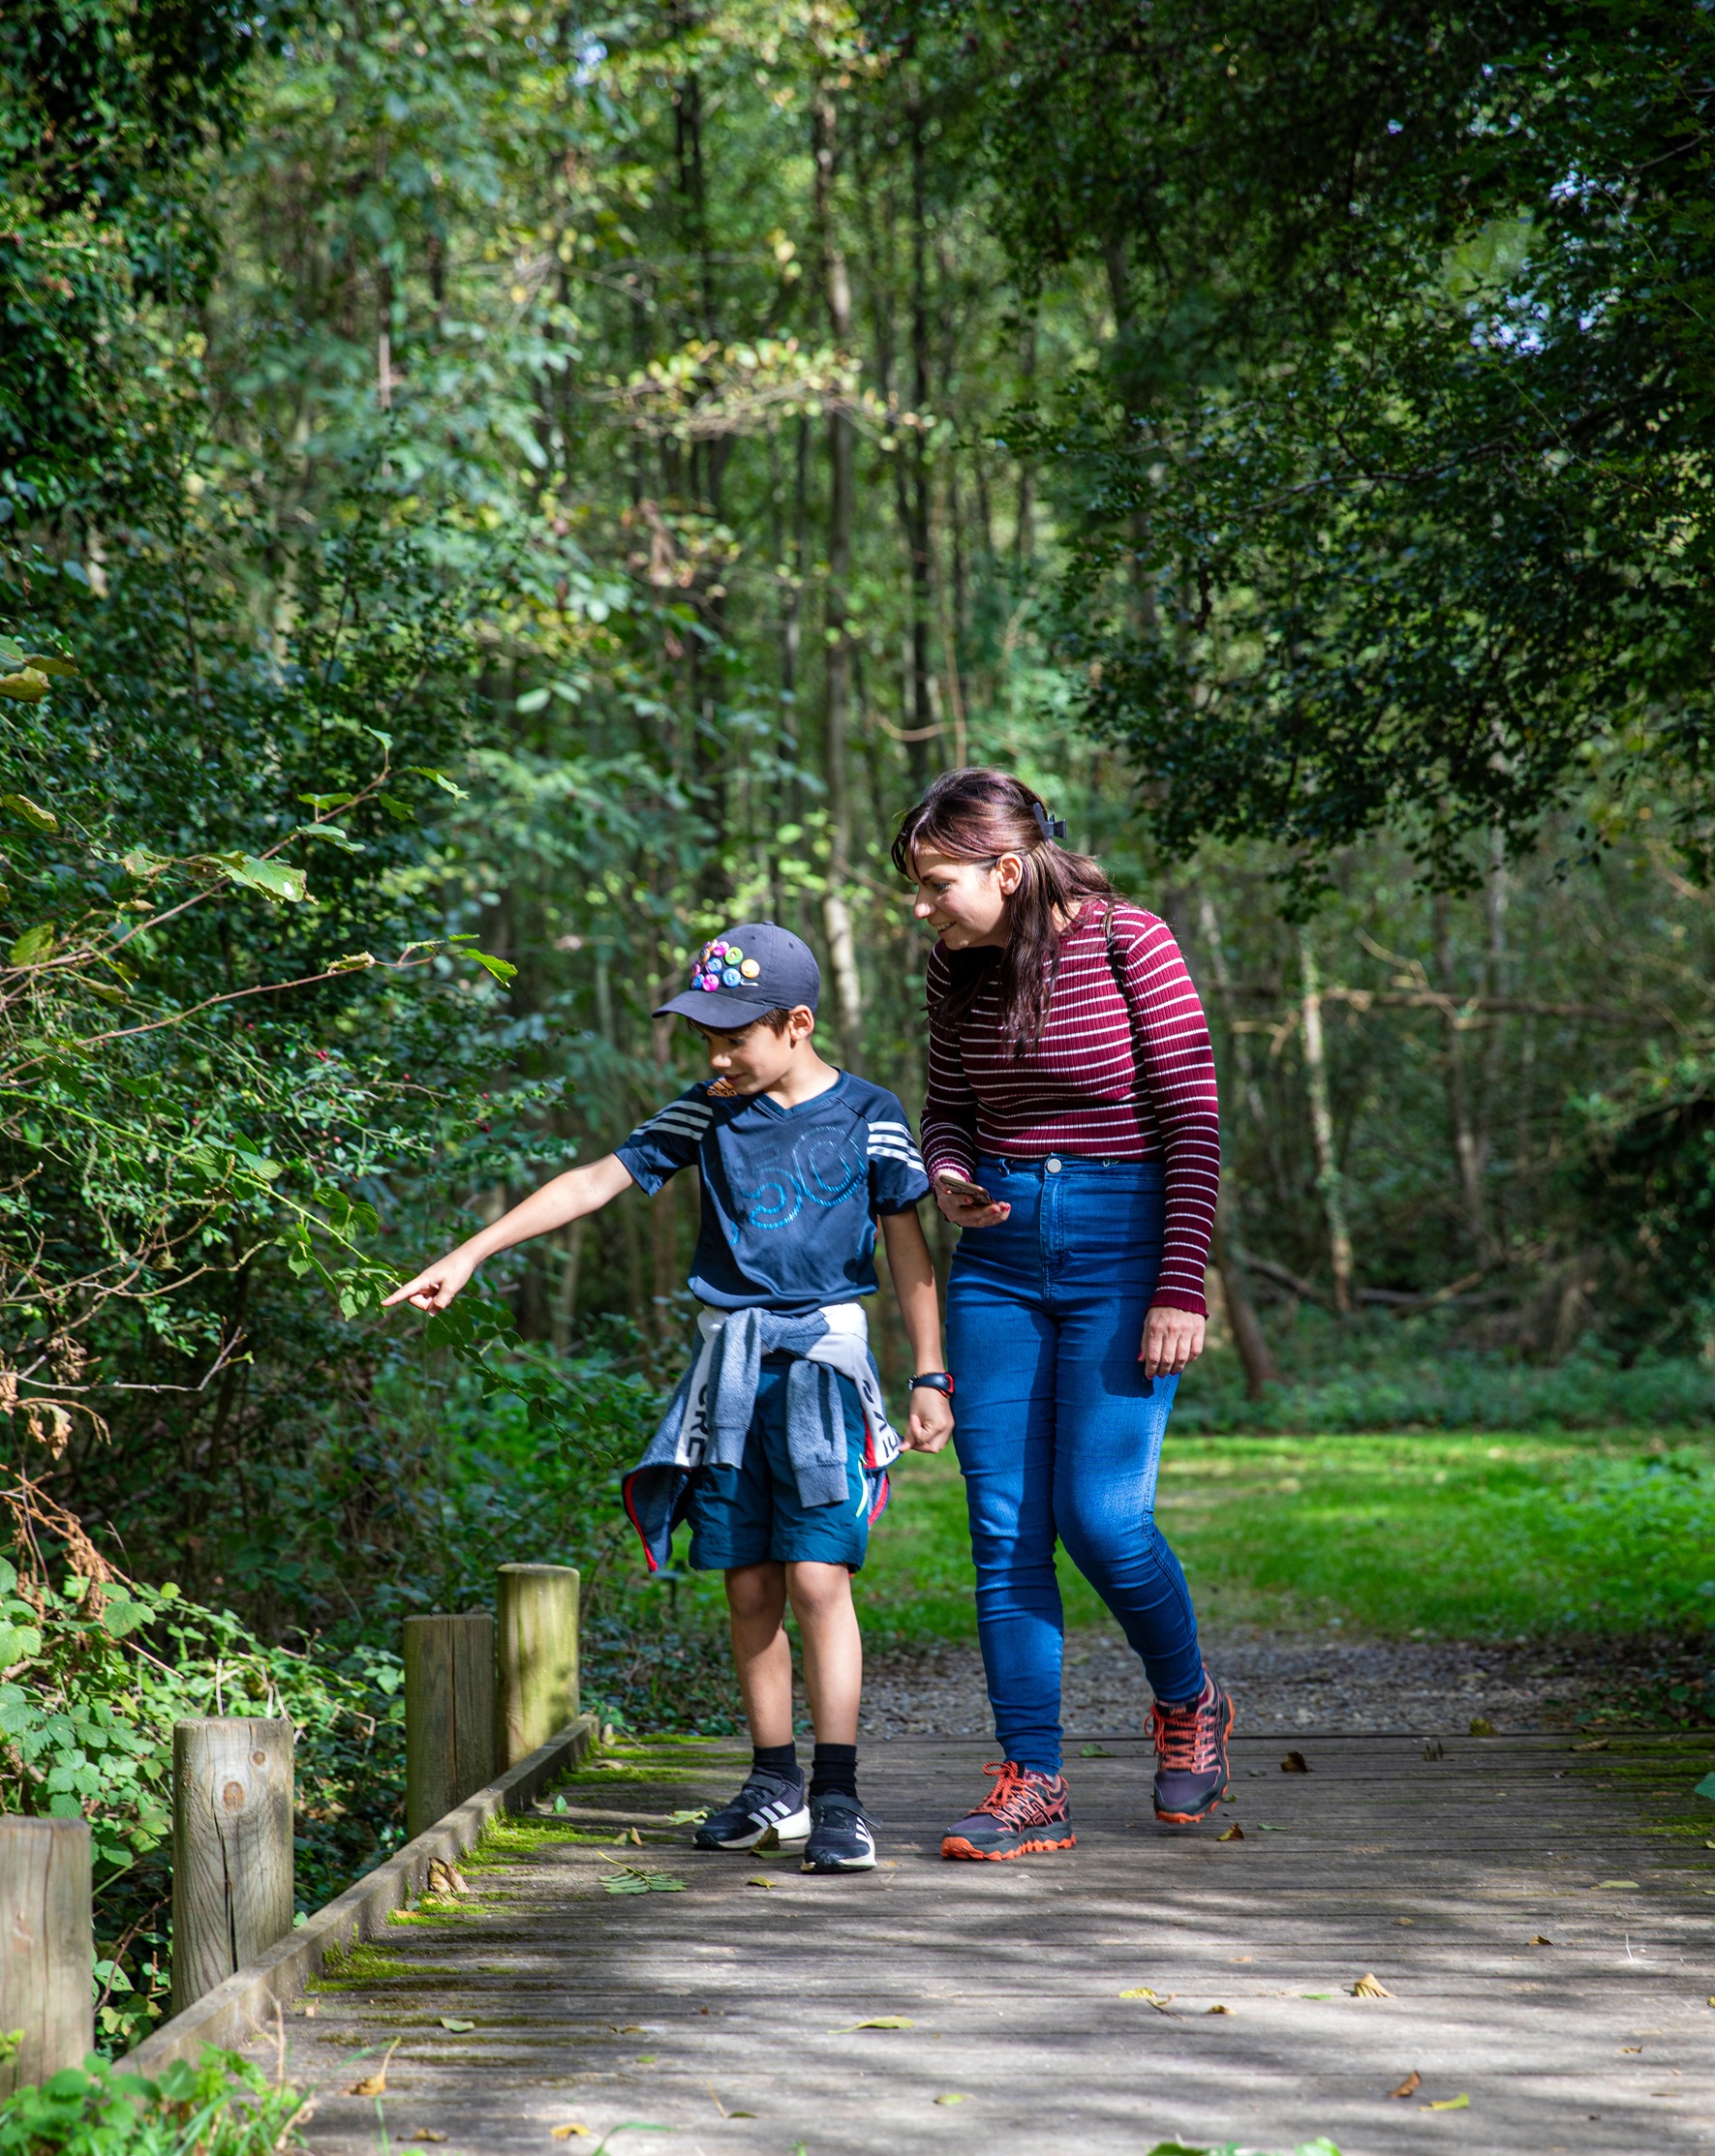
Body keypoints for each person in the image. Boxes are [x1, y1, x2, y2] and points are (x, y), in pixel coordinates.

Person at [383, 921, 953, 1875]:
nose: (717, 1057)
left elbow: (907, 1247)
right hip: (728, 1375)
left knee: (820, 1578)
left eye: (734, 1037)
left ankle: (838, 1796)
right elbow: (595, 1180)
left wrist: (930, 1373)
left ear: (798, 1024)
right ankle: (773, 1782)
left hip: (821, 1371)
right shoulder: (706, 1113)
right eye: (706, 1039)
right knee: (747, 1581)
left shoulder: (871, 1113)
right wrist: (471, 1252)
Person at [892, 768, 1234, 1860]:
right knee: (1003, 1530)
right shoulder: (954, 966)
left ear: (1006, 868)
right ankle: (1032, 1778)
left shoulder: (1133, 940)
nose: (922, 906)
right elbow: (947, 1110)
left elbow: (1192, 1119)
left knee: (1102, 1518)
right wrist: (948, 1175)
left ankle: (1189, 1698)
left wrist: (1179, 1283)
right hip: (995, 1257)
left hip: (1124, 1248)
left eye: (936, 883)